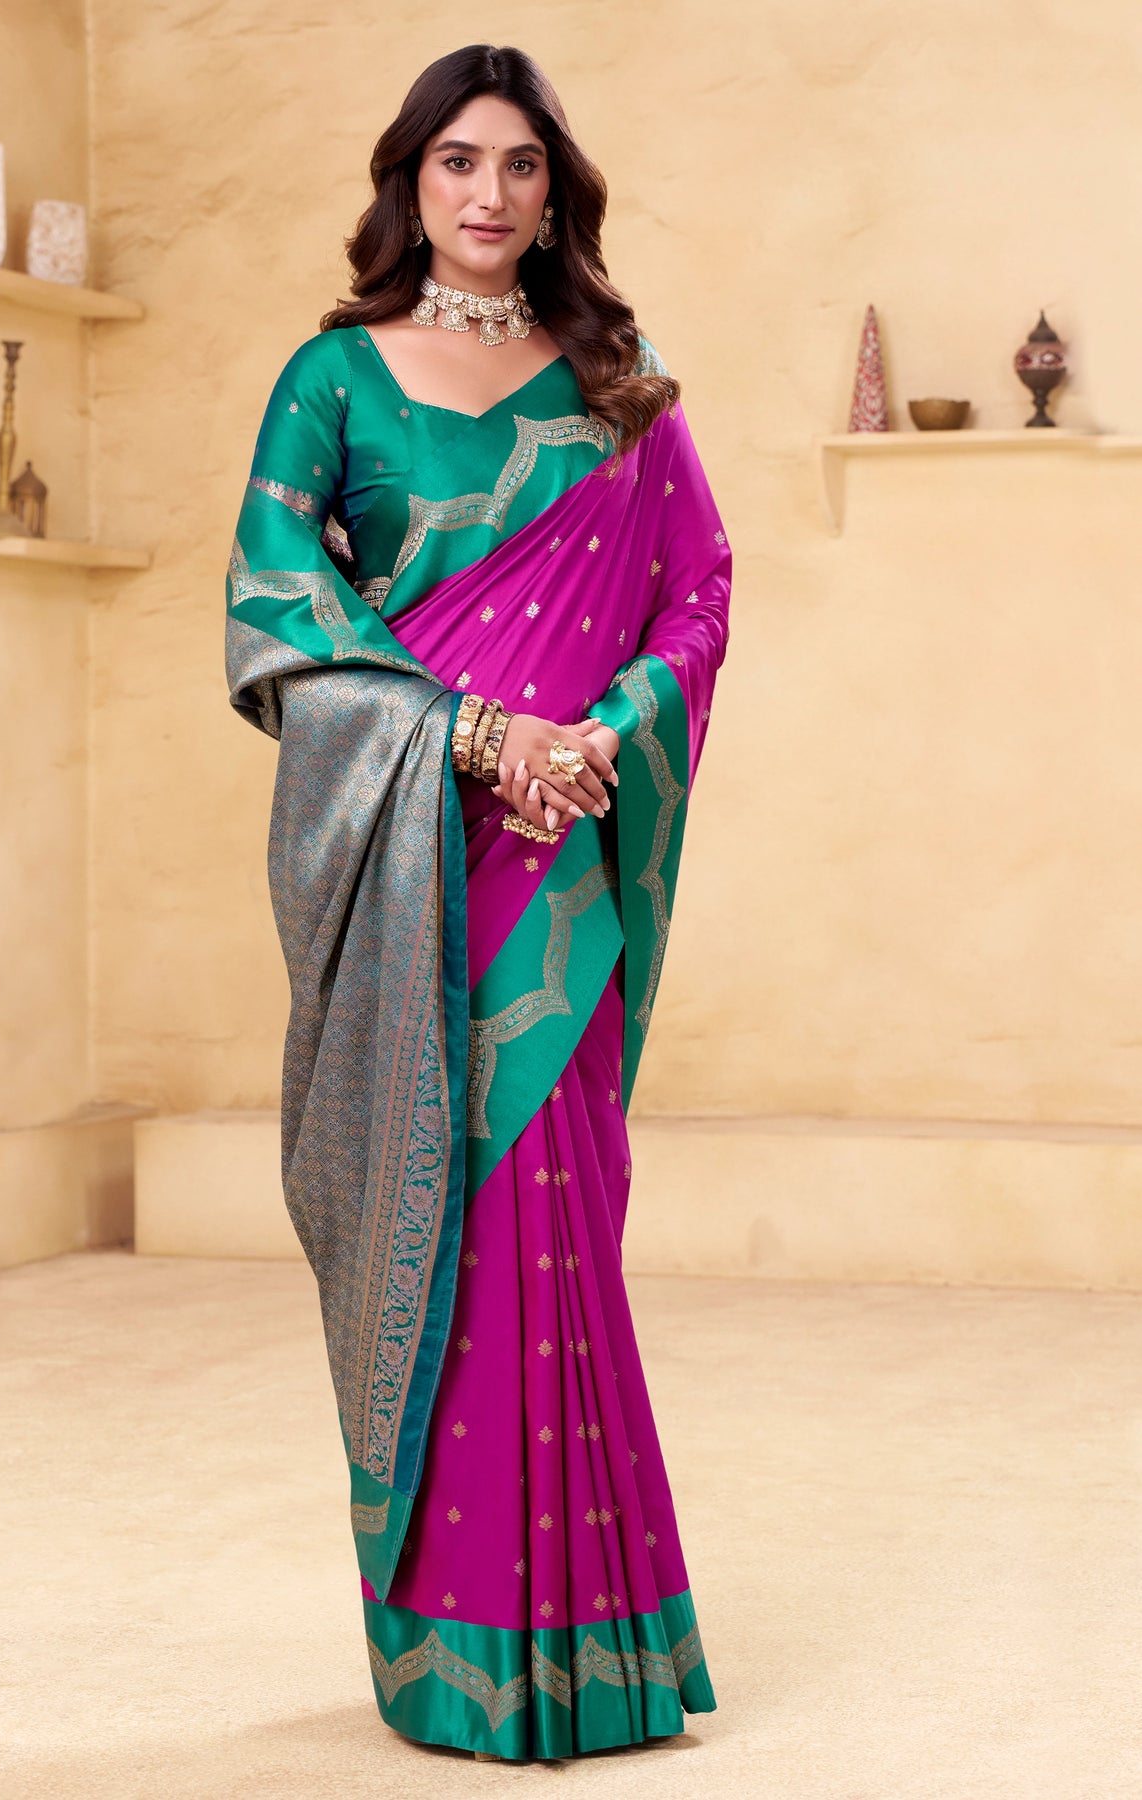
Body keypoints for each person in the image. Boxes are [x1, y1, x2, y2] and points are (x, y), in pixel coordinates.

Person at [224, 42, 732, 1764]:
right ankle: (455, 1656)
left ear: (554, 190)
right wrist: (479, 736)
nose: (490, 194)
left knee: (552, 1230)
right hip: (415, 865)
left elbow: (696, 588)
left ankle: (598, 1655)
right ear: (410, 181)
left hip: (558, 871)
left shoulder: (619, 385)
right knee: (433, 1230)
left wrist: (599, 734)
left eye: (520, 164)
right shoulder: (331, 379)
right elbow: (279, 610)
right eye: (458, 161)